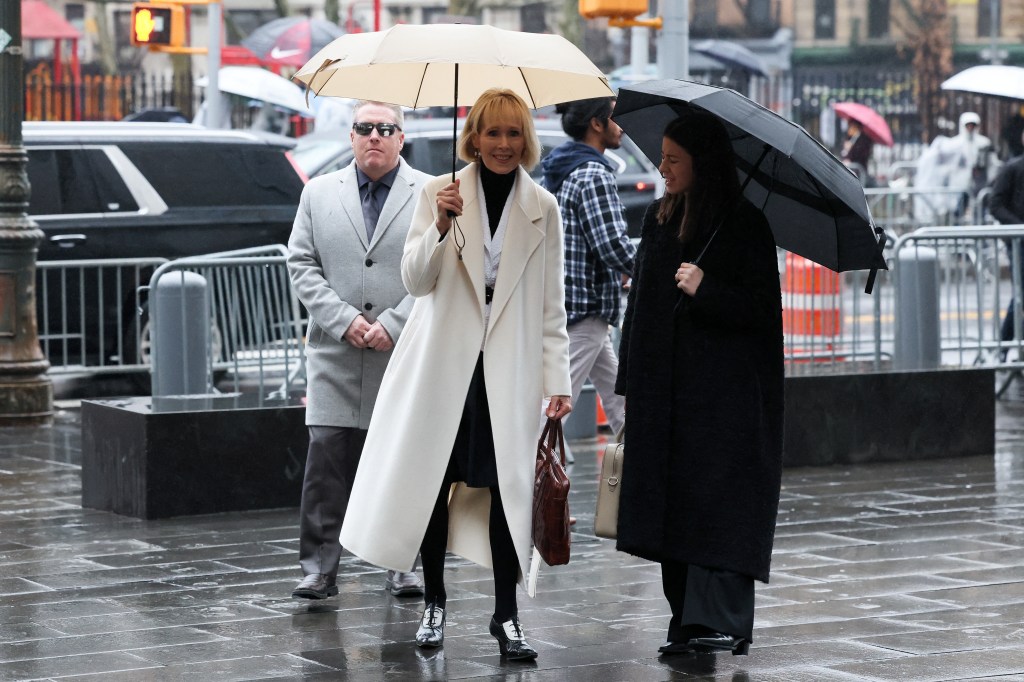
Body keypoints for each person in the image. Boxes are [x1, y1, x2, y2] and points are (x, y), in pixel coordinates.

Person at [339, 88, 572, 660]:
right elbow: (415, 282)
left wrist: (558, 379)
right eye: (491, 133)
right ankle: (435, 603)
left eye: (513, 133)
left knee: (504, 492)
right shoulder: (436, 193)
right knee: (432, 486)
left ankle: (506, 616)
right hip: (443, 365)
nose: (502, 144)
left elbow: (551, 306)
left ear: (527, 140)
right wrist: (440, 226)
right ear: (473, 137)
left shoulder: (544, 206)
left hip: (507, 368)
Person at [614, 111, 785, 657]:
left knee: (713, 509)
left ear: (701, 164)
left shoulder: (744, 225)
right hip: (665, 395)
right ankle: (681, 617)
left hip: (721, 401)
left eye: (673, 160)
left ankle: (708, 621)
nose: (662, 168)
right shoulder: (660, 217)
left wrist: (707, 288)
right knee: (669, 510)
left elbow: (761, 313)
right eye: (661, 157)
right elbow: (639, 303)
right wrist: (629, 381)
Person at [287, 100, 430, 602]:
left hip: (402, 353)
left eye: (385, 128)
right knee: (326, 463)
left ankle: (403, 563)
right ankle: (319, 570)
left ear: (400, 137)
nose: (374, 136)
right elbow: (301, 264)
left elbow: (441, 272)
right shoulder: (318, 193)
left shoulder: (432, 194)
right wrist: (344, 319)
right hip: (334, 354)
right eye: (364, 128)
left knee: (400, 462)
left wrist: (393, 322)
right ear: (350, 136)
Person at [541, 97, 635, 442]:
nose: (621, 125)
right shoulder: (593, 173)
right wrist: (653, 271)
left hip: (575, 304)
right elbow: (611, 244)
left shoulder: (562, 168)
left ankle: (642, 473)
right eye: (614, 117)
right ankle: (525, 487)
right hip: (586, 310)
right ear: (597, 124)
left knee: (622, 403)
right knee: (551, 412)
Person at [992, 132, 1024, 350]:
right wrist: (1019, 227)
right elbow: (995, 205)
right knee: (1020, 293)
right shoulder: (1012, 168)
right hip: (1018, 241)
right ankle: (1003, 346)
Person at [840, 120, 874, 184]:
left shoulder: (864, 139)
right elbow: (844, 152)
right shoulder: (849, 138)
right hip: (848, 168)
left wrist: (852, 148)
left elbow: (863, 155)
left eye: (853, 126)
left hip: (858, 170)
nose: (850, 128)